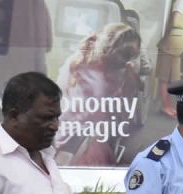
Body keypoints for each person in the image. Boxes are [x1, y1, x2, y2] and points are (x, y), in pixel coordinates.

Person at [54, 22, 143, 165]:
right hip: (84, 144)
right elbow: (126, 116)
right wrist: (131, 78)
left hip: (60, 133)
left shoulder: (77, 59)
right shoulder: (111, 79)